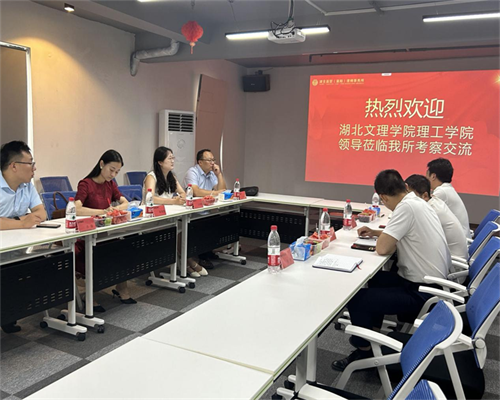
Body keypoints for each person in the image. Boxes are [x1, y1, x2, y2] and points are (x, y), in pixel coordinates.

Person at [331, 169, 451, 371]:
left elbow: (383, 249)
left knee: (357, 298)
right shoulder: (417, 202)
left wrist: (382, 237)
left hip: (422, 292)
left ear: (383, 198)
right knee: (376, 280)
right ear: (405, 186)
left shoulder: (405, 208)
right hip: (433, 283)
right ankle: (373, 335)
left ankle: (363, 350)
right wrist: (377, 232)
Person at [74, 150, 136, 310]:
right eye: (111, 169)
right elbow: (77, 209)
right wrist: (102, 211)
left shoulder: (110, 184)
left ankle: (121, 287)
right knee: (101, 254)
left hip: (103, 235)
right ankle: (89, 295)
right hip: (86, 237)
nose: (113, 174)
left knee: (122, 248)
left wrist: (115, 209)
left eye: (117, 172)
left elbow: (125, 203)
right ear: (102, 164)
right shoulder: (86, 184)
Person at [0, 141, 47, 333]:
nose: (34, 168)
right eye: (30, 163)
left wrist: (10, 221)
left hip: (16, 247)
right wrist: (21, 222)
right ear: (14, 166)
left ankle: (8, 315)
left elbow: (41, 213)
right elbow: (28, 220)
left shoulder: (27, 186)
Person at [143, 146, 207, 277]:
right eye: (169, 158)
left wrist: (181, 197)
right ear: (160, 162)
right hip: (152, 218)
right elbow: (151, 198)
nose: (172, 161)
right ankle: (187, 262)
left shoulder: (171, 176)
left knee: (185, 226)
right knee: (179, 228)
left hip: (168, 215)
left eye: (173, 158)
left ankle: (185, 261)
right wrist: (173, 201)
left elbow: (183, 193)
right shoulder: (151, 176)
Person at [183, 149, 227, 270]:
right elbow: (196, 192)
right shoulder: (192, 172)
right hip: (193, 211)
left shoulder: (211, 174)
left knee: (219, 219)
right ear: (200, 162)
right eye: (209, 160)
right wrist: (215, 193)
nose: (212, 163)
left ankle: (208, 249)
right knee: (205, 223)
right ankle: (202, 255)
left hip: (207, 209)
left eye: (213, 160)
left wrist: (219, 174)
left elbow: (222, 190)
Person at [406, 174, 468, 260]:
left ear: (425, 196)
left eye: (411, 196)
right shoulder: (434, 202)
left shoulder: (429, 211)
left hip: (453, 262)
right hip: (453, 256)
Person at [426, 158, 471, 239]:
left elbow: (424, 212)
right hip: (460, 237)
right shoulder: (446, 189)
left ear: (433, 176)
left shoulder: (442, 192)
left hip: (460, 240)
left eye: (427, 175)